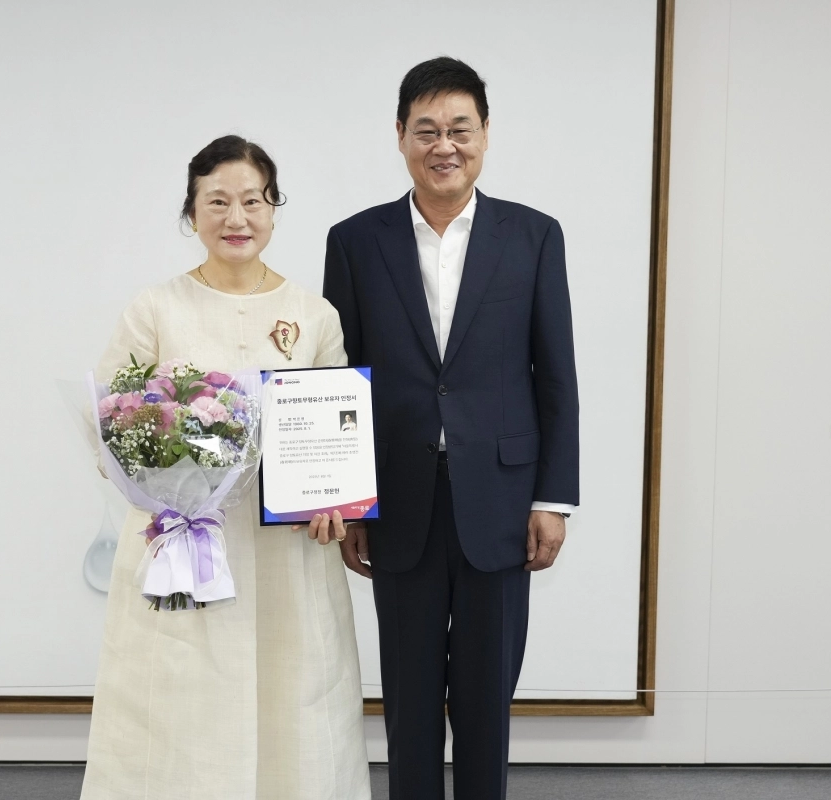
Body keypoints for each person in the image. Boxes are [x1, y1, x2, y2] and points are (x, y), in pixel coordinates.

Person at [81, 135, 370, 800]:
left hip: (287, 549)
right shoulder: (155, 308)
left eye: (252, 201)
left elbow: (340, 428)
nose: (236, 218)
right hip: (185, 545)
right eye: (217, 202)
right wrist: (161, 476)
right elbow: (110, 428)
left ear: (274, 208)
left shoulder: (312, 313)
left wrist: (338, 499)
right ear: (192, 213)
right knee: (182, 695)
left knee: (296, 686)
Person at [323, 57, 580, 800]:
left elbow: (555, 375)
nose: (445, 146)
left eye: (460, 130)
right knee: (407, 705)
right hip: (399, 501)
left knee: (485, 701)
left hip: (501, 501)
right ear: (400, 135)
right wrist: (350, 502)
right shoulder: (356, 241)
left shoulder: (533, 236)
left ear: (485, 134)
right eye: (427, 130)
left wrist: (553, 499)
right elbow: (344, 379)